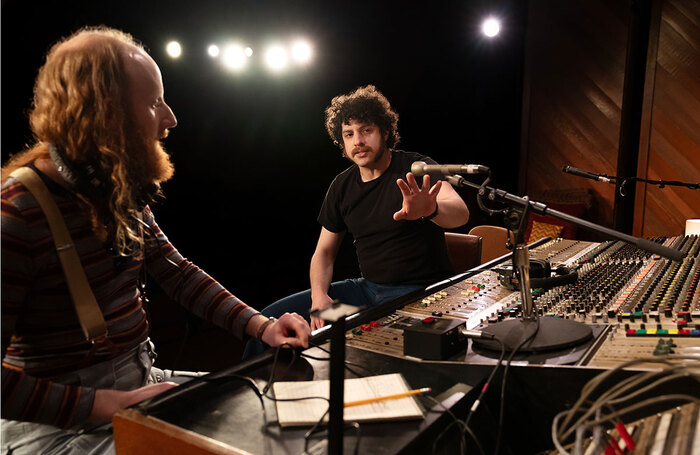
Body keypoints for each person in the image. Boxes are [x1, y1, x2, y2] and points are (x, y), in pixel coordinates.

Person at [1, 26, 310, 454]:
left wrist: (262, 326)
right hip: (56, 426)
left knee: (266, 418)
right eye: (153, 103)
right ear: (103, 114)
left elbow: (178, 273)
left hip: (137, 386)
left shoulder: (118, 189)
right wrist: (101, 404)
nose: (170, 118)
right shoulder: (15, 213)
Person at [245, 85, 469, 357]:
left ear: (385, 132)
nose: (357, 141)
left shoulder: (415, 168)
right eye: (348, 134)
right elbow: (324, 253)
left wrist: (431, 208)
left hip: (416, 294)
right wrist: (319, 296)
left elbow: (460, 213)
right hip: (364, 294)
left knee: (370, 351)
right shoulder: (342, 186)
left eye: (366, 130)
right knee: (270, 319)